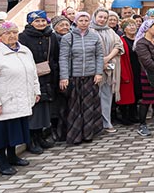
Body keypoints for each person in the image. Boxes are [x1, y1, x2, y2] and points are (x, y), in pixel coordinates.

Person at [0, 21, 40, 176]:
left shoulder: (25, 51)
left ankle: (13, 156)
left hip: (21, 98)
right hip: (4, 100)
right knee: (1, 132)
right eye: (8, 33)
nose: (12, 35)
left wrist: (36, 91)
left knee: (15, 129)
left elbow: (33, 73)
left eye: (14, 32)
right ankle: (2, 161)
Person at [58, 11, 104, 144]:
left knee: (89, 107)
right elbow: (63, 58)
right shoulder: (68, 37)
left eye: (86, 21)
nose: (84, 23)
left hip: (90, 76)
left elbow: (99, 56)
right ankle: (75, 136)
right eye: (81, 21)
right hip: (75, 77)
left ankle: (88, 134)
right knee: (75, 108)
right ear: (76, 21)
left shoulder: (95, 37)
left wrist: (98, 72)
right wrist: (64, 77)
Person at [17, 10, 58, 154]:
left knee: (44, 108)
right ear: (30, 23)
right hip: (32, 76)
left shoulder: (51, 36)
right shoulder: (23, 37)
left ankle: (40, 136)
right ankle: (31, 140)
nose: (41, 24)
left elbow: (55, 55)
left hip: (48, 75)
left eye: (43, 20)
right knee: (34, 108)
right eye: (37, 21)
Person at [90, 8, 125, 133]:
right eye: (100, 17)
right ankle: (95, 124)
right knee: (94, 97)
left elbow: (118, 45)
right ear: (95, 17)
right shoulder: (89, 31)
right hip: (94, 69)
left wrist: (108, 58)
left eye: (105, 18)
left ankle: (106, 122)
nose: (102, 20)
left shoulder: (110, 31)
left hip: (110, 67)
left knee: (107, 96)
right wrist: (100, 62)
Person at [116, 18, 142, 124]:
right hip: (127, 68)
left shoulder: (139, 39)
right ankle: (124, 116)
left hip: (138, 69)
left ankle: (133, 114)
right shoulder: (121, 40)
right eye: (129, 25)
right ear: (124, 29)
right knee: (126, 93)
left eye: (133, 25)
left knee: (136, 92)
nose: (132, 27)